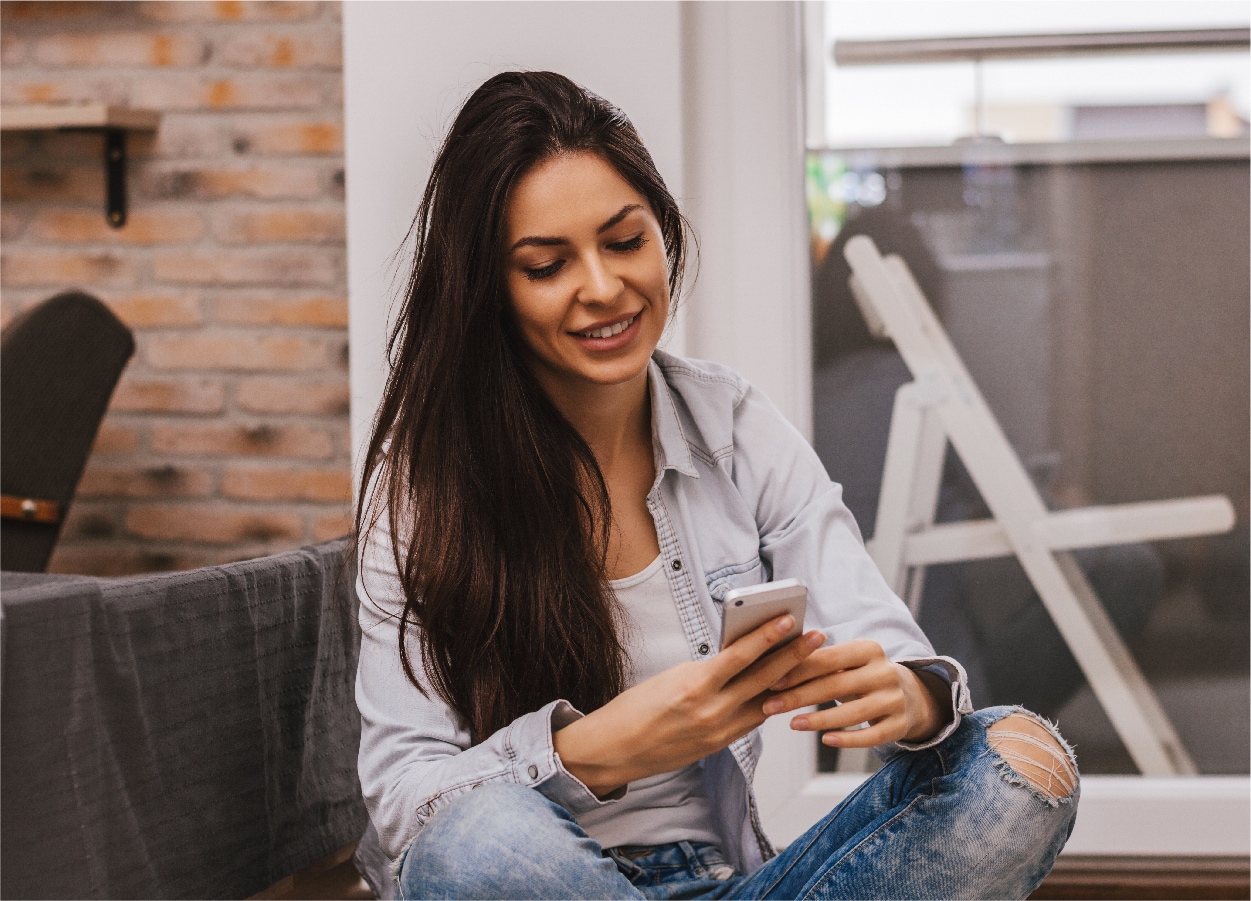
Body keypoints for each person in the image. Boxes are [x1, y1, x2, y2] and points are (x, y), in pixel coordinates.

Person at [355, 71, 1078, 901]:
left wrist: (910, 696)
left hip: (724, 883)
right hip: (534, 880)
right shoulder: (423, 484)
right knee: (473, 838)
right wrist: (598, 750)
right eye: (548, 265)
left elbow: (883, 638)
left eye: (624, 242)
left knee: (1019, 761)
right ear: (490, 288)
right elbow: (404, 804)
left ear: (661, 234)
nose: (603, 287)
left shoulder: (730, 423)